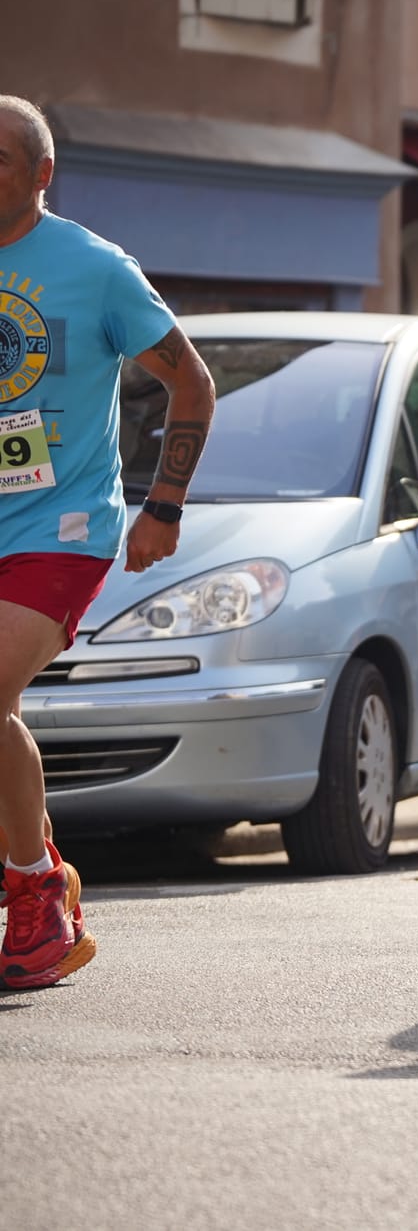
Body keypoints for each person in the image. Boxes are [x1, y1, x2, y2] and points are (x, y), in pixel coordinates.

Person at [0, 96, 217, 989]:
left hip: (65, 525)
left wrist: (162, 504)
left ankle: (36, 895)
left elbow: (192, 384)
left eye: (1, 158)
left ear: (42, 174)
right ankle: (34, 862)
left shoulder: (95, 269)